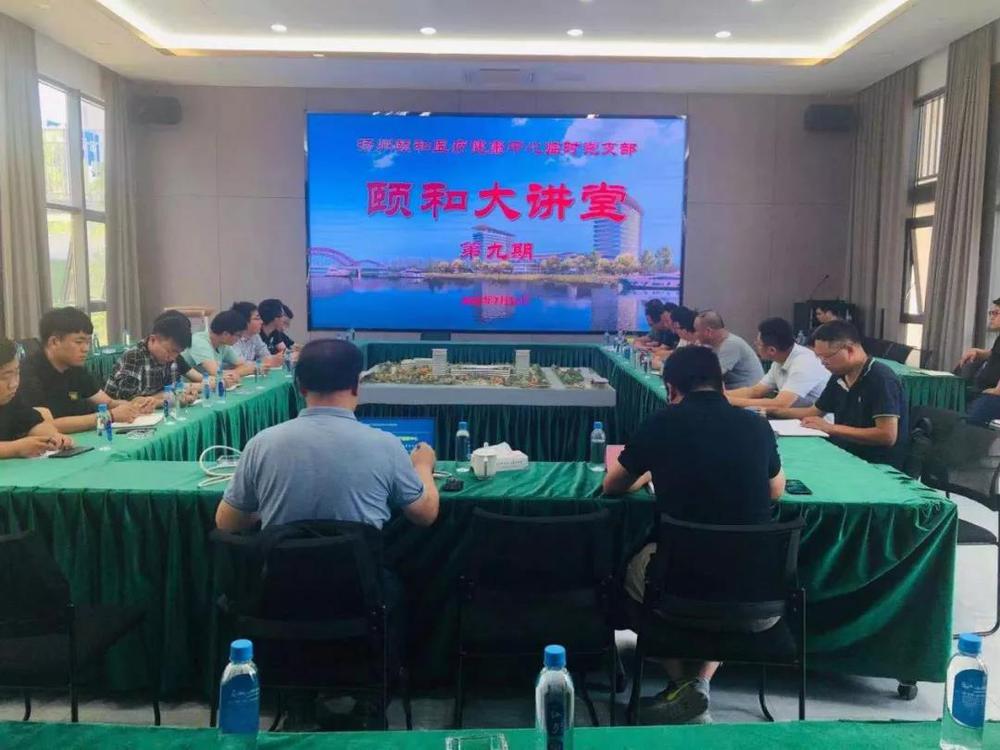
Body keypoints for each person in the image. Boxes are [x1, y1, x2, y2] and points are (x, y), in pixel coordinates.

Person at [603, 345, 785, 724]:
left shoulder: (661, 423)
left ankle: (681, 683)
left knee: (626, 575)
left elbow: (613, 486)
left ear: (671, 389)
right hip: (758, 591)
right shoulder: (756, 425)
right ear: (722, 384)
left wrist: (650, 472)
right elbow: (775, 490)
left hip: (679, 586)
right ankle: (700, 684)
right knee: (721, 583)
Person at [215, 338, 439, 532]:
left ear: (300, 387)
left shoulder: (261, 444)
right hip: (359, 569)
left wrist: (267, 506)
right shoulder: (387, 445)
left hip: (283, 569)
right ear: (356, 386)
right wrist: (422, 465)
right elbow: (425, 515)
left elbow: (226, 522)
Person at [771, 321, 908, 468]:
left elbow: (887, 435)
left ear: (849, 350)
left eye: (826, 357)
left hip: (876, 464)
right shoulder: (839, 376)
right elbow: (814, 412)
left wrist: (831, 428)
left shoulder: (881, 379)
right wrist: (770, 411)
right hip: (844, 453)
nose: (823, 363)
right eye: (819, 357)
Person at [18, 307, 153, 433]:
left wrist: (134, 405)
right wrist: (108, 417)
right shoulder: (28, 374)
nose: (86, 349)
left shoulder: (76, 368)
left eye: (88, 342)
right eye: (79, 342)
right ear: (54, 342)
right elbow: (44, 426)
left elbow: (108, 403)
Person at [726, 318, 829, 410]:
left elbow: (781, 404)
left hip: (819, 422)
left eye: (758, 344)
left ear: (772, 350)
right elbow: (756, 391)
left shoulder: (804, 363)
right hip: (795, 418)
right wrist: (721, 396)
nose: (756, 346)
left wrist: (732, 401)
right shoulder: (780, 360)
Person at [0, 337, 74, 458]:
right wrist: (16, 448)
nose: (13, 384)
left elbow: (33, 423)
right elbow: (17, 447)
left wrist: (53, 437)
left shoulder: (11, 399)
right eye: (5, 377)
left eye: (17, 373)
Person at [104, 312, 196, 402]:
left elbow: (172, 389)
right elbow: (130, 402)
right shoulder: (134, 357)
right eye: (169, 351)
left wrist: (185, 392)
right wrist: (171, 398)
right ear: (153, 339)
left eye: (178, 352)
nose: (172, 357)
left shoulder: (171, 357)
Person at [693, 310, 764, 389]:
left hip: (749, 392)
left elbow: (710, 376)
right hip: (735, 390)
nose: (694, 334)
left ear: (708, 331)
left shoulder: (731, 345)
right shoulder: (711, 344)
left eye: (696, 330)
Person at [958, 298, 1000, 425]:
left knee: (970, 421)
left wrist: (997, 390)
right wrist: (978, 352)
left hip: (993, 394)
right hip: (982, 388)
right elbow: (994, 353)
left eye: (996, 313)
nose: (991, 317)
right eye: (991, 313)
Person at [181, 309, 254, 381]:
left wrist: (234, 372)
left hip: (206, 384)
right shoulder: (199, 342)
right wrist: (236, 373)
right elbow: (216, 373)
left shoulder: (223, 344)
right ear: (225, 334)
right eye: (238, 335)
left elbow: (245, 366)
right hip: (185, 386)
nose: (240, 338)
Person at [230, 301, 283, 368]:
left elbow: (266, 355)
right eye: (257, 319)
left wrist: (277, 358)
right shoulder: (232, 339)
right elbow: (241, 365)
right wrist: (264, 362)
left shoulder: (255, 336)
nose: (261, 322)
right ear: (243, 322)